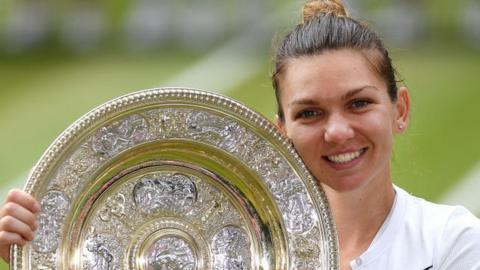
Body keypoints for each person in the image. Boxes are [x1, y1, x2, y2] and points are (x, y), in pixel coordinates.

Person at [1, 0, 480, 269]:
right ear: (282, 132)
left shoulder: (452, 242)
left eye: (359, 103)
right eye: (309, 113)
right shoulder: (238, 251)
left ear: (400, 110)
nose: (337, 131)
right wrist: (21, 252)